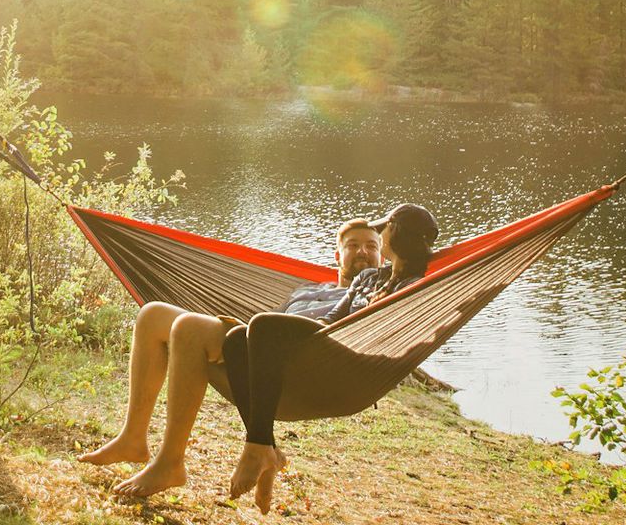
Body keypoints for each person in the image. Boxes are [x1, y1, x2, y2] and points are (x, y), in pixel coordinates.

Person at [78, 218, 383, 500]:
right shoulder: (306, 290)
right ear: (336, 255)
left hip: (304, 373)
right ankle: (133, 439)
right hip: (256, 353)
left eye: (372, 246)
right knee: (152, 315)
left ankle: (170, 463)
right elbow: (268, 323)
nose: (362, 252)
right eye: (353, 245)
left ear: (383, 257)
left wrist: (379, 293)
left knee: (189, 329)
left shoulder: (375, 295)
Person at [223, 203, 439, 513]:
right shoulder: (369, 277)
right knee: (235, 341)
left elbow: (413, 325)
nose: (380, 236)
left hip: (352, 359)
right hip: (331, 339)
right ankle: (264, 446)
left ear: (398, 236)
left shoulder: (414, 286)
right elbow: (337, 314)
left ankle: (256, 447)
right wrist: (307, 332)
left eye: (385, 230)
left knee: (262, 324)